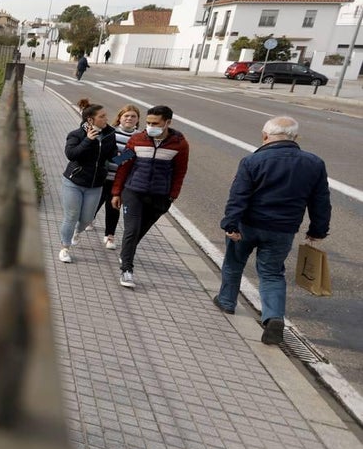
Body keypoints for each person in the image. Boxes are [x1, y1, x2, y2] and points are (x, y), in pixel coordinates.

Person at [214, 117, 331, 344]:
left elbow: (238, 196)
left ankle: (227, 301)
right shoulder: (314, 163)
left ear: (264, 136)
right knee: (271, 273)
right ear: (295, 138)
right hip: (283, 230)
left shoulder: (252, 161)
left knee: (234, 262)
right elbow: (321, 201)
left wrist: (230, 224)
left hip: (248, 225)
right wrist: (318, 230)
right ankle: (273, 317)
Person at [111, 105, 190, 288]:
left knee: (139, 231)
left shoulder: (180, 144)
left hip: (159, 197)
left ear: (167, 123)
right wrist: (116, 191)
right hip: (133, 192)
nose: (150, 126)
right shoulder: (137, 139)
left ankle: (125, 254)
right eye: (147, 122)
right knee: (131, 229)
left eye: (155, 123)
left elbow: (180, 172)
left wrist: (172, 196)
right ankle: (127, 270)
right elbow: (123, 165)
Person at [58, 99, 117, 264]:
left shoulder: (109, 135)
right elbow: (71, 154)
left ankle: (78, 231)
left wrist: (128, 157)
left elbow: (112, 157)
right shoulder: (76, 134)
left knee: (86, 219)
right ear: (91, 120)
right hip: (73, 182)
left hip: (96, 185)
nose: (106, 118)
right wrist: (88, 141)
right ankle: (65, 248)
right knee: (71, 215)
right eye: (102, 116)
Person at [94, 104, 141, 250]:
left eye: (133, 116)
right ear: (120, 117)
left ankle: (109, 236)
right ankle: (89, 220)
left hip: (121, 181)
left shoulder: (139, 137)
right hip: (102, 177)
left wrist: (120, 157)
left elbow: (136, 159)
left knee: (113, 208)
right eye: (126, 115)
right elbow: (105, 154)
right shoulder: (111, 132)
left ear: (138, 120)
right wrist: (122, 157)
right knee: (94, 204)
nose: (129, 118)